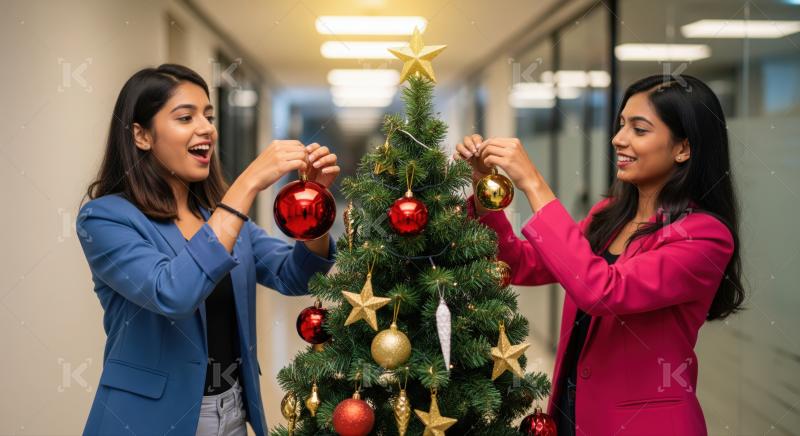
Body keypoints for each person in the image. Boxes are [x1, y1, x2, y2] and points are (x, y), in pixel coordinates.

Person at [455, 74, 744, 435]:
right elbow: (519, 264)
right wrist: (486, 184)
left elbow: (602, 291)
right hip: (572, 412)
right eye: (621, 124)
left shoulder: (705, 236)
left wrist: (533, 182)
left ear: (682, 148)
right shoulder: (607, 216)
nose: (618, 139)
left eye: (639, 130)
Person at [76, 64, 340, 436]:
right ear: (141, 135)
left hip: (232, 411)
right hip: (146, 421)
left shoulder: (217, 216)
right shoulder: (105, 218)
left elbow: (294, 276)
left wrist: (316, 203)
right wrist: (246, 184)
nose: (206, 128)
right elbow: (173, 293)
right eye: (186, 117)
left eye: (209, 116)